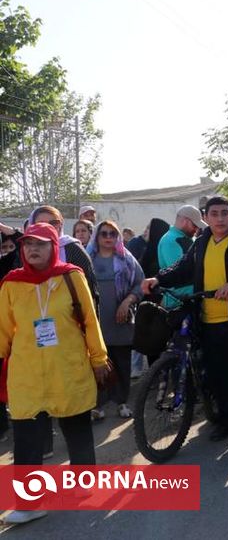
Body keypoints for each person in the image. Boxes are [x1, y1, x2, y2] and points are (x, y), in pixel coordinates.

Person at [0, 223, 110, 525]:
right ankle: (29, 503)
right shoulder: (11, 283)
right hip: (27, 373)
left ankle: (84, 485)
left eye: (41, 244)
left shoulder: (71, 276)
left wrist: (99, 358)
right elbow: (3, 330)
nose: (33, 249)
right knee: (26, 438)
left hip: (67, 368)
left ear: (53, 246)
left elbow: (90, 320)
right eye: (28, 244)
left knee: (76, 429)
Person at [143, 196, 228, 444]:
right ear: (206, 217)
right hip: (210, 323)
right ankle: (225, 422)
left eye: (225, 213)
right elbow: (182, 267)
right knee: (219, 377)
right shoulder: (201, 243)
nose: (220, 219)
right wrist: (157, 278)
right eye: (214, 214)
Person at [86, 220, 143, 420]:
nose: (108, 237)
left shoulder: (127, 259)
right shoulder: (88, 259)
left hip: (121, 321)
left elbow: (140, 284)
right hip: (95, 322)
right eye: (104, 233)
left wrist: (127, 302)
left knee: (121, 363)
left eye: (113, 234)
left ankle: (121, 402)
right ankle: (98, 405)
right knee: (98, 365)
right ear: (97, 236)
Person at [29, 206, 99, 310]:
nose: (48, 227)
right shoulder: (27, 250)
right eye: (41, 223)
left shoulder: (73, 249)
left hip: (68, 314)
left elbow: (89, 291)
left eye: (54, 223)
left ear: (61, 225)